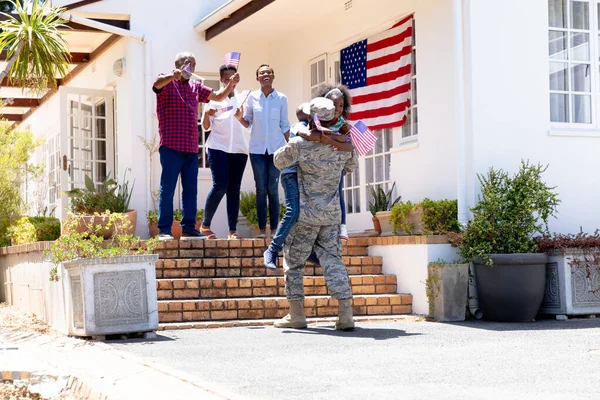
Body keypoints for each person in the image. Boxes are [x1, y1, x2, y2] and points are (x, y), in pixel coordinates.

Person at [272, 97, 358, 331]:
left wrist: (299, 135)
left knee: (294, 262)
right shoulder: (344, 145)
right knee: (333, 260)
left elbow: (278, 161)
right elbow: (350, 167)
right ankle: (345, 314)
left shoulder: (302, 143)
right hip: (331, 215)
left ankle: (296, 315)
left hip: (305, 216)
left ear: (312, 118)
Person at [152, 52, 239, 241]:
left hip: (191, 148)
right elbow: (157, 85)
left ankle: (189, 228)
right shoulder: (167, 83)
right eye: (186, 63)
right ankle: (164, 230)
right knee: (167, 189)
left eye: (193, 63)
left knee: (191, 190)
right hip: (171, 146)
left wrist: (230, 84)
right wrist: (172, 76)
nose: (190, 67)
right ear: (177, 64)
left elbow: (217, 96)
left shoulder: (196, 87)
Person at [263, 99, 353, 270]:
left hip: (306, 175)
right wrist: (331, 137)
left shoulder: (327, 129)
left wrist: (337, 136)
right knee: (294, 210)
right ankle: (272, 250)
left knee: (309, 213)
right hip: (291, 172)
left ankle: (309, 252)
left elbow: (347, 146)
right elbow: (311, 136)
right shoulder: (299, 126)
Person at [234, 64, 290, 239]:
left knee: (272, 188)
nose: (265, 74)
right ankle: (261, 230)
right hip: (257, 150)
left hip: (277, 149)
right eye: (261, 73)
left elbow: (285, 124)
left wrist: (292, 149)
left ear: (273, 76)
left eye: (268, 72)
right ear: (257, 77)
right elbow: (248, 122)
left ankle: (274, 229)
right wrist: (239, 118)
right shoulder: (252, 98)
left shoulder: (281, 98)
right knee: (260, 189)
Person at [199, 64, 249, 240]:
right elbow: (205, 127)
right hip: (217, 147)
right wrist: (207, 115)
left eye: (233, 79)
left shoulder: (243, 98)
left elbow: (248, 124)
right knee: (220, 185)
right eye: (226, 79)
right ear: (221, 80)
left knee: (234, 189)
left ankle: (232, 230)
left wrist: (241, 116)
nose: (230, 82)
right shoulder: (213, 99)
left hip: (239, 149)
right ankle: (205, 225)